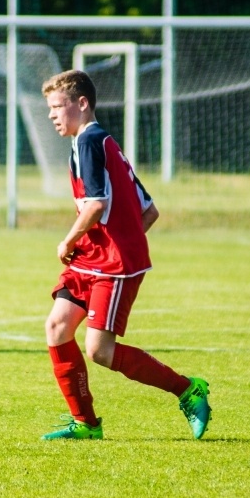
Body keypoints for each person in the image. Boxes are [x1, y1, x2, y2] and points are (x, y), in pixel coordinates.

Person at [39, 69, 211, 440]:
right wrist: (111, 240)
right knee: (57, 327)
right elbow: (149, 210)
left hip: (112, 266)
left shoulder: (90, 141)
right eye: (49, 108)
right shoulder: (100, 142)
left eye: (57, 106)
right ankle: (86, 424)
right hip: (93, 258)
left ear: (81, 103)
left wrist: (70, 241)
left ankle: (187, 389)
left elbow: (96, 205)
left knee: (99, 350)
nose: (51, 115)